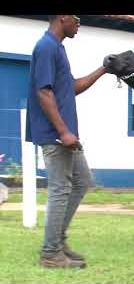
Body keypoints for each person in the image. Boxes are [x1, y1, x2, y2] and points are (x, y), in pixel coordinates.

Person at [26, 15, 108, 269]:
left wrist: (103, 69)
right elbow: (44, 91)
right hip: (56, 135)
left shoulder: (57, 48)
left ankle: (57, 243)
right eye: (77, 18)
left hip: (65, 134)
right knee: (61, 190)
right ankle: (51, 253)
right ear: (63, 17)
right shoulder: (46, 46)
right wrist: (63, 132)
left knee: (82, 181)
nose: (79, 23)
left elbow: (70, 87)